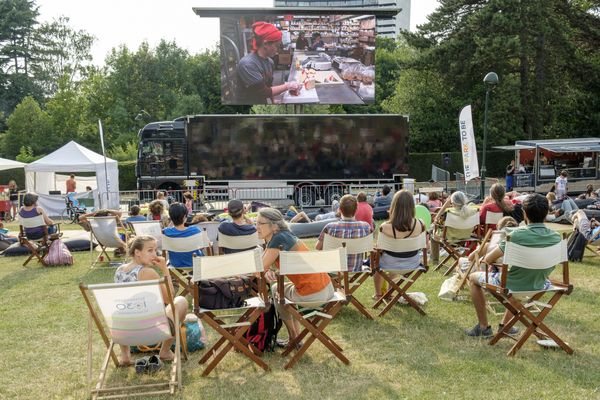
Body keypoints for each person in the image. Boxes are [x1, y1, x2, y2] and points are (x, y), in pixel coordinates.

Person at [465, 193, 561, 337]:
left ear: (524, 213)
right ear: (547, 213)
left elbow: (488, 259)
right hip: (541, 284)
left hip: (513, 284)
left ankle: (483, 327)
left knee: (473, 278)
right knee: (518, 274)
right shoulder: (556, 237)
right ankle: (506, 326)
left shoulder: (515, 235)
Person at [256, 207, 333, 345]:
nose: (256, 227)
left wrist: (264, 270)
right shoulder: (285, 235)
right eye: (256, 223)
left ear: (274, 226)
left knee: (276, 290)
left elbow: (258, 270)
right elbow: (264, 266)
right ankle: (296, 337)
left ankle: (294, 337)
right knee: (280, 290)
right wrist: (266, 270)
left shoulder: (277, 239)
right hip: (327, 287)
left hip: (313, 293)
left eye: (260, 223)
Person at [114, 235, 188, 366]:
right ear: (137, 252)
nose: (154, 254)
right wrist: (165, 269)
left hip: (123, 330)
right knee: (180, 301)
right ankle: (165, 351)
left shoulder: (119, 270)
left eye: (155, 250)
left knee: (124, 311)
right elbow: (170, 298)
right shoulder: (148, 273)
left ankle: (125, 355)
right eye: (150, 250)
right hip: (150, 330)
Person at [372, 190, 426, 300]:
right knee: (396, 255)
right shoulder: (420, 224)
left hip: (391, 263)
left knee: (377, 259)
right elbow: (425, 246)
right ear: (412, 206)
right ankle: (390, 293)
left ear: (394, 206)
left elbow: (379, 249)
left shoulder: (385, 227)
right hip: (412, 263)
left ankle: (378, 294)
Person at [236, 21, 301, 104]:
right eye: (277, 46)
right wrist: (288, 86)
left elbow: (268, 86)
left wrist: (273, 101)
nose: (278, 50)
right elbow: (263, 92)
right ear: (265, 44)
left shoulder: (270, 62)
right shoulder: (247, 64)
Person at [316, 194, 372, 272]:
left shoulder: (330, 227)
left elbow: (318, 247)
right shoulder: (365, 227)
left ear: (340, 210)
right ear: (356, 210)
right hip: (356, 269)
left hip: (334, 270)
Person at [431, 191, 478, 264]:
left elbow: (436, 219)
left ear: (452, 202)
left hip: (451, 238)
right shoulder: (473, 211)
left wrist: (446, 204)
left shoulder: (449, 213)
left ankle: (435, 261)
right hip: (467, 235)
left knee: (432, 235)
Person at [163, 203, 204, 268]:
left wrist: (172, 221)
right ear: (185, 217)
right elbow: (202, 247)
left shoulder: (166, 232)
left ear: (171, 218)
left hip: (175, 266)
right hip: (195, 265)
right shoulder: (195, 230)